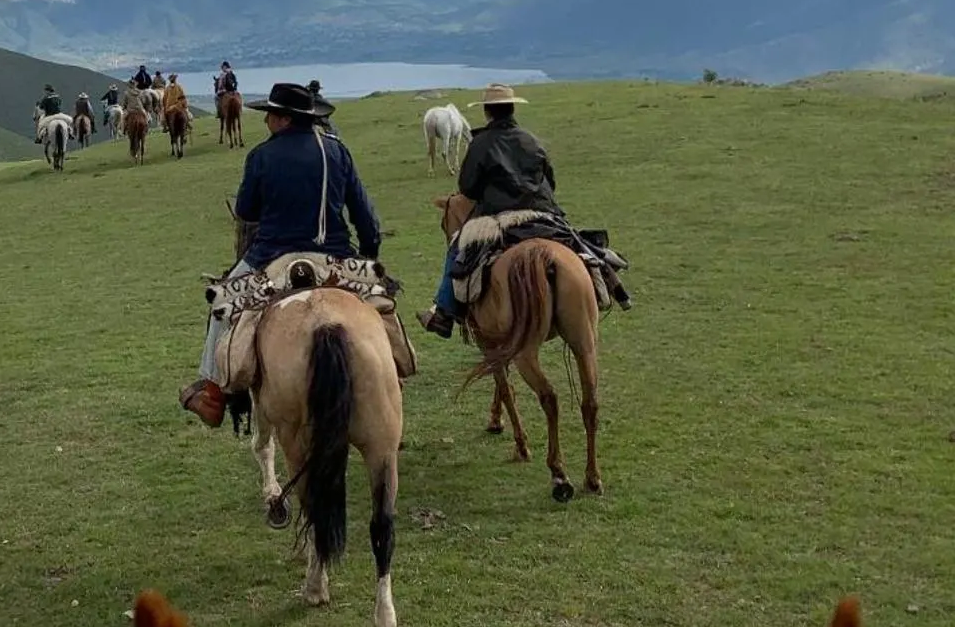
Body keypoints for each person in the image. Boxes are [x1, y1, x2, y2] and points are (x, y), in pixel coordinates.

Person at [179, 82, 381, 426]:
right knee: (383, 305)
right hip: (335, 257)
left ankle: (213, 396)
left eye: (270, 114)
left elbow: (246, 210)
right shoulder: (337, 151)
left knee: (222, 303)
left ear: (285, 119)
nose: (267, 120)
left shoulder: (262, 155)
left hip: (271, 260)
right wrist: (368, 256)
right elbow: (364, 216)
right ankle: (394, 372)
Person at [418, 83, 623, 339]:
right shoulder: (532, 140)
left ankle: (444, 314)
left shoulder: (481, 143)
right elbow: (551, 181)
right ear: (512, 108)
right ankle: (611, 282)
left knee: (458, 247)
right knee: (579, 243)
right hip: (542, 213)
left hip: (497, 218)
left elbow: (467, 188)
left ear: (488, 112)